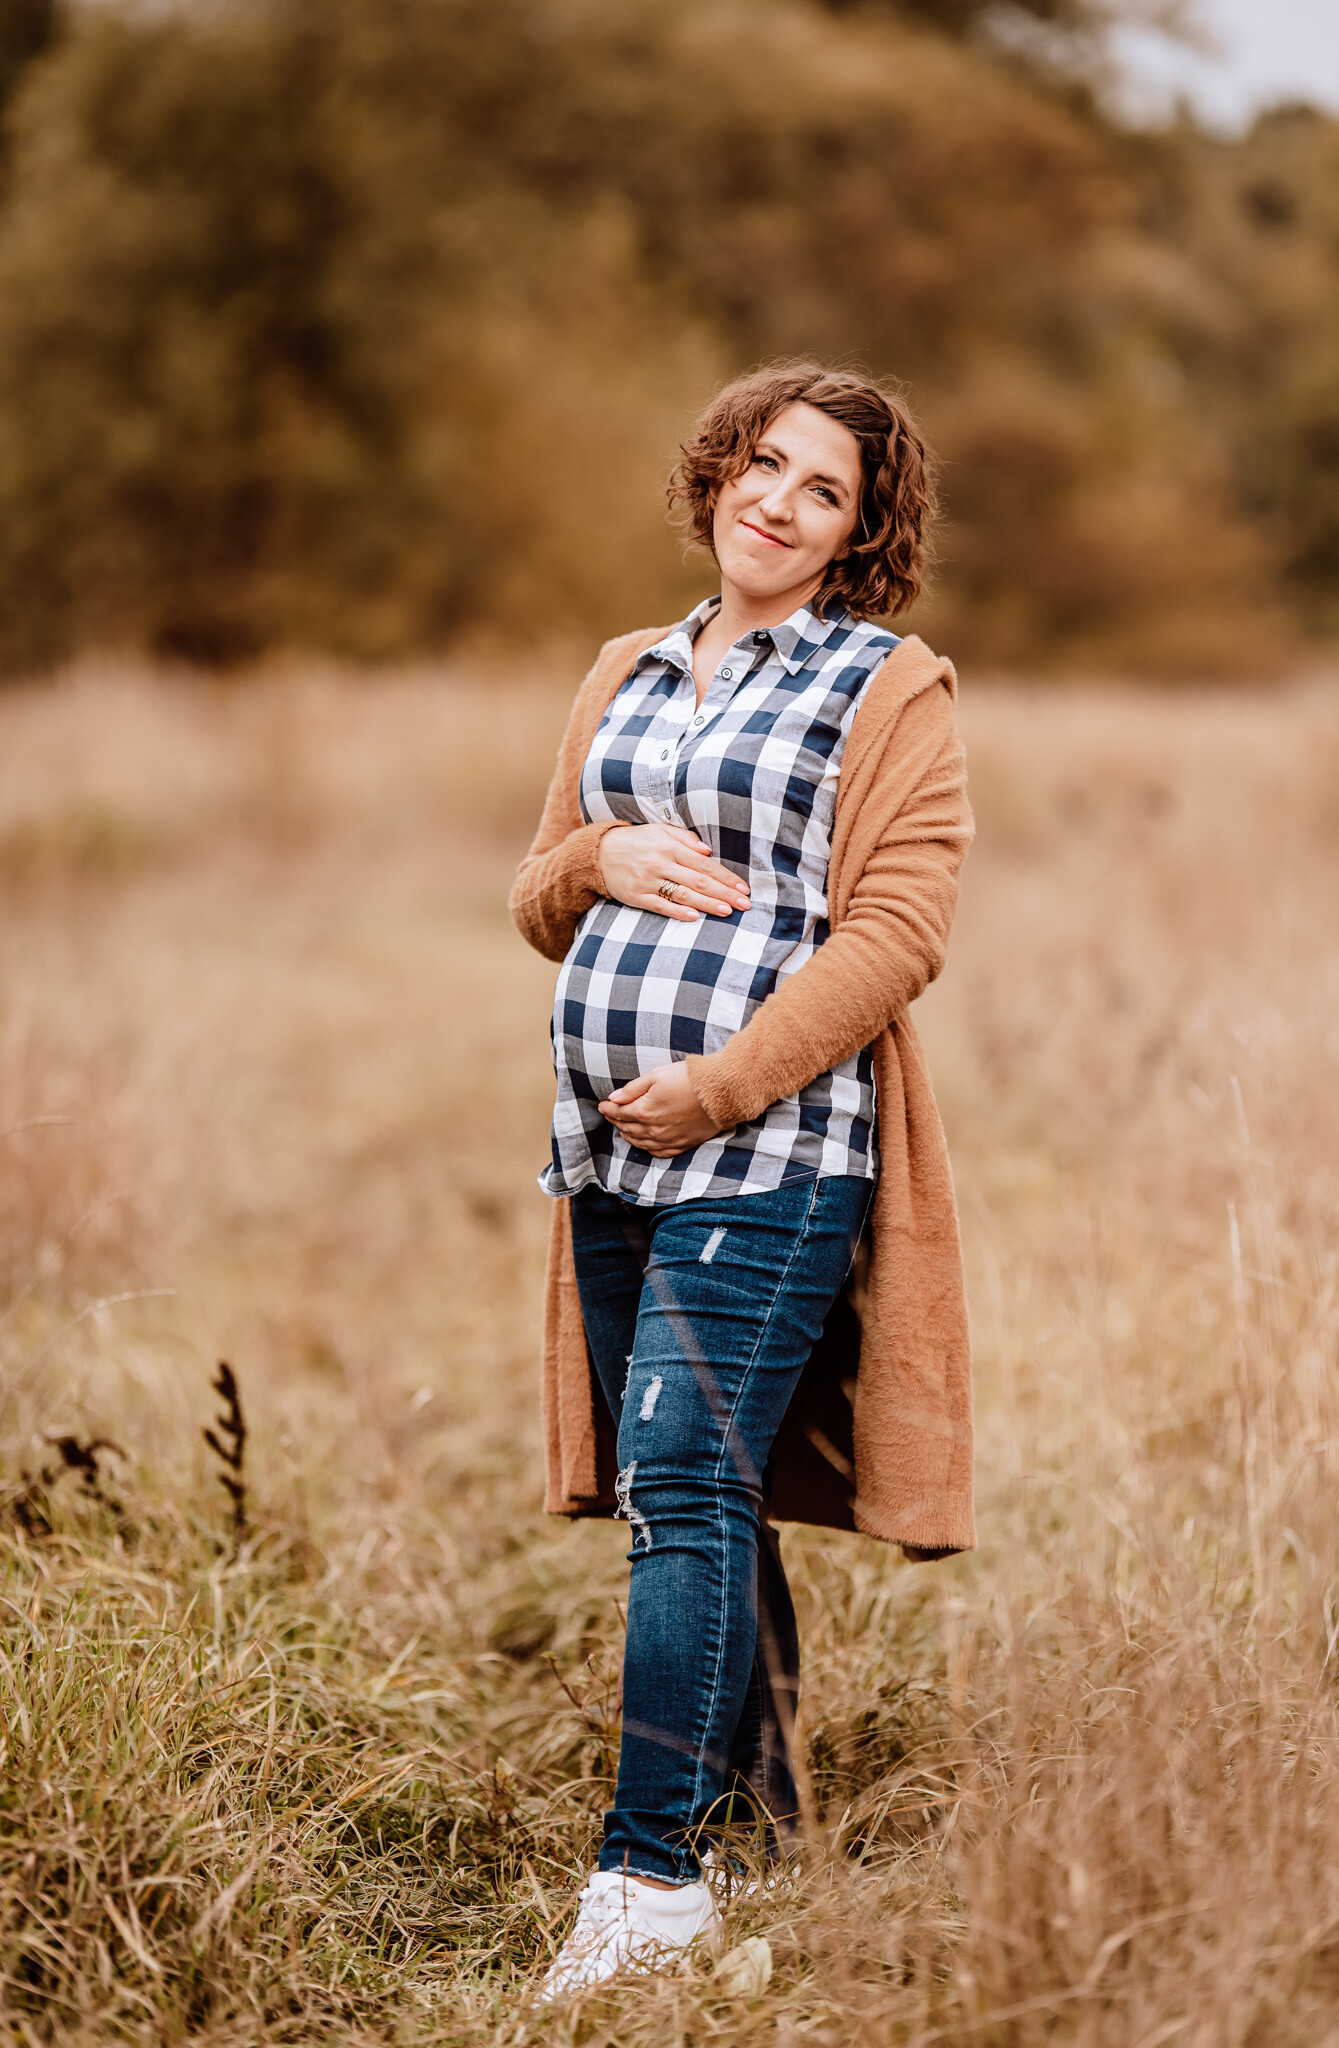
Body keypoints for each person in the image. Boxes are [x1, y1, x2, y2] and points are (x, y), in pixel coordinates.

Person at [510, 362, 975, 1998]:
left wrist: (717, 1087)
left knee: (683, 1484)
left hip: (771, 1151)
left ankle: (647, 1881)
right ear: (718, 471)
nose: (776, 501)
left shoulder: (888, 686)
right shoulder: (628, 667)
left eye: (822, 488)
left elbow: (899, 934)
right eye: (761, 463)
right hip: (605, 1150)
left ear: (859, 532)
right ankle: (758, 1824)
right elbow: (536, 894)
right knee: (705, 1486)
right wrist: (600, 856)